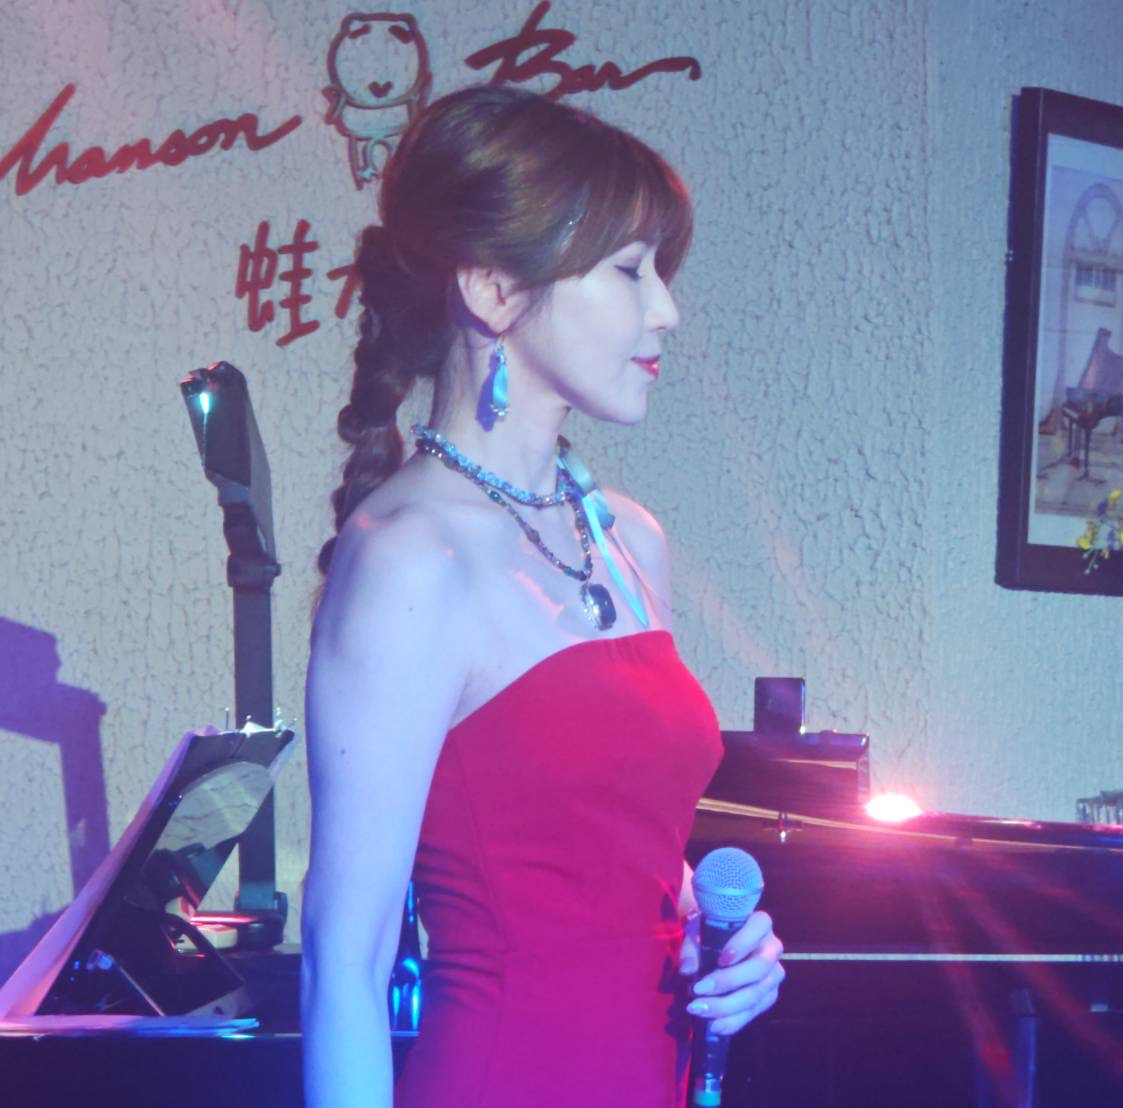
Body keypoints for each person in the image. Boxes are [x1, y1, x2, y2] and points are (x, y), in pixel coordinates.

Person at [300, 85, 784, 1108]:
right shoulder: (408, 558)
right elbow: (345, 962)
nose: (666, 309)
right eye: (629, 269)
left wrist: (720, 943)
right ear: (492, 289)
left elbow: (610, 857)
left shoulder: (630, 539)